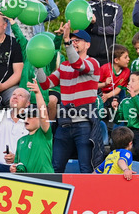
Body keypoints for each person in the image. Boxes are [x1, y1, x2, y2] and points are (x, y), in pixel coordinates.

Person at [36, 23, 103, 173]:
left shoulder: (93, 63)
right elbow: (46, 84)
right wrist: (38, 64)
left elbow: (78, 64)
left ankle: (87, 197)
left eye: (77, 40)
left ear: (88, 44)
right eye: (72, 40)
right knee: (55, 168)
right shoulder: (64, 66)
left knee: (86, 168)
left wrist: (66, 41)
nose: (74, 42)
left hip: (84, 124)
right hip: (64, 125)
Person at [7, 85, 53, 174]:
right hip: (28, 183)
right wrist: (15, 168)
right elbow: (18, 164)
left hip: (46, 180)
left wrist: (38, 93)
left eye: (31, 116)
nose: (26, 119)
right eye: (25, 117)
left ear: (40, 119)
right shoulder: (20, 141)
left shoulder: (44, 134)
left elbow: (43, 114)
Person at [114, 71, 139, 167]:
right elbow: (117, 120)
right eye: (129, 80)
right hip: (127, 131)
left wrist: (134, 97)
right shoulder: (125, 100)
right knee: (114, 146)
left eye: (133, 81)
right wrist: (115, 109)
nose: (129, 83)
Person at [86, 0, 123, 67]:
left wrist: (95, 29)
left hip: (108, 59)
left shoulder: (116, 7)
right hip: (88, 58)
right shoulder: (85, 6)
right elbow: (81, 29)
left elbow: (115, 30)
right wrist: (90, 24)